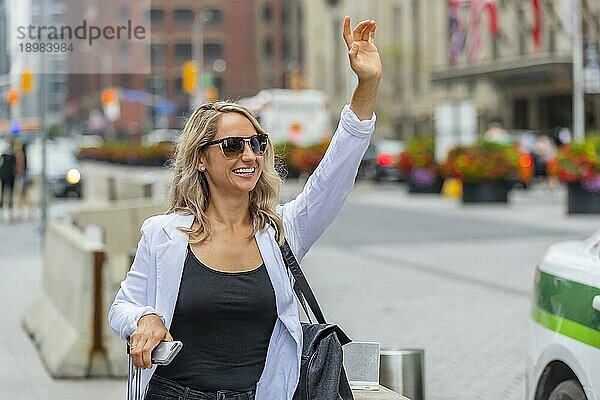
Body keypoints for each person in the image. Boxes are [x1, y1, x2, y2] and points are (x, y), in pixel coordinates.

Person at [109, 16, 381, 400]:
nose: (249, 155)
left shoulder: (280, 231)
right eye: (232, 145)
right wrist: (144, 318)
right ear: (200, 158)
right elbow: (121, 306)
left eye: (257, 143)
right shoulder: (163, 233)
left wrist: (366, 86)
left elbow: (334, 177)